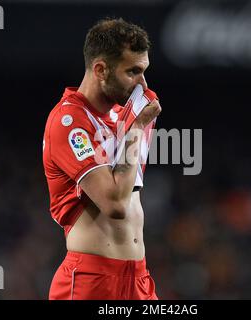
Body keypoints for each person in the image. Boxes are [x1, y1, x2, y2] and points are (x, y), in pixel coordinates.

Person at [42, 18, 161, 300]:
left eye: (144, 71)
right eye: (132, 71)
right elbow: (115, 203)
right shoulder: (69, 122)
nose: (141, 83)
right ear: (100, 70)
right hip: (92, 282)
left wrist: (135, 125)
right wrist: (135, 130)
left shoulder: (127, 116)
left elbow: (130, 189)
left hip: (139, 279)